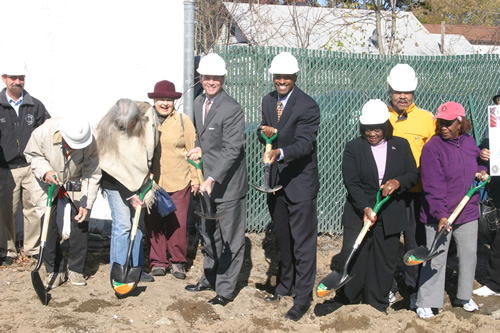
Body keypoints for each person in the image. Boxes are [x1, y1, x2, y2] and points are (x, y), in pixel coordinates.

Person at [336, 99, 418, 312]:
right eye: (367, 129)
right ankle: (350, 300)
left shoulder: (400, 145)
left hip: (391, 212)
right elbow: (351, 182)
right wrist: (365, 208)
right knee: (355, 257)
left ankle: (376, 304)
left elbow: (412, 174)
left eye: (376, 128)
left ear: (385, 126)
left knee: (384, 261)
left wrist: (397, 182)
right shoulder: (354, 147)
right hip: (359, 213)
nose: (371, 133)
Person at [257, 52, 320, 321]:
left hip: (300, 182)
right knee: (283, 238)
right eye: (277, 76)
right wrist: (265, 136)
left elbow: (306, 144)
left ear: (295, 76)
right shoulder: (268, 101)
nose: (281, 81)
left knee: (303, 244)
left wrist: (279, 152)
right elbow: (267, 134)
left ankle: (302, 297)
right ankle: (285, 285)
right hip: (277, 183)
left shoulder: (308, 106)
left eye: (287, 77)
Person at [185, 53, 248, 306]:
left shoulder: (232, 109)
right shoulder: (198, 101)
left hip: (228, 185)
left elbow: (232, 149)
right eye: (207, 77)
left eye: (216, 78)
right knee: (209, 235)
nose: (211, 81)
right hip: (206, 181)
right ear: (200, 77)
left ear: (223, 78)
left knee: (231, 238)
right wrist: (198, 151)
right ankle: (209, 277)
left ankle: (224, 290)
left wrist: (212, 177)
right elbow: (202, 138)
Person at [416, 101, 488, 318]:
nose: (443, 127)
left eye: (448, 123)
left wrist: (483, 168)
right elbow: (432, 186)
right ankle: (426, 301)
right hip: (439, 214)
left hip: (467, 211)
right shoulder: (432, 148)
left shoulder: (468, 142)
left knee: (468, 255)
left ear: (460, 122)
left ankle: (464, 296)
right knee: (436, 257)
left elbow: (477, 163)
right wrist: (441, 214)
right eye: (440, 123)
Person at [24, 116, 101, 288]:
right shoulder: (43, 132)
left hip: (76, 177)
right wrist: (45, 171)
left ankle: (76, 268)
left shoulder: (91, 138)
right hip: (46, 179)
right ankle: (55, 269)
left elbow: (92, 172)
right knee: (47, 221)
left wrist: (85, 203)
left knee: (81, 218)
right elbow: (32, 154)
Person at [386, 64, 437, 306]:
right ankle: (386, 285)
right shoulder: (381, 116)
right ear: (390, 90)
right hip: (388, 193)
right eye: (398, 91)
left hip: (417, 193)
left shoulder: (427, 120)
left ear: (414, 92)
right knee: (388, 240)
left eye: (407, 92)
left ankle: (413, 287)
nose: (402, 96)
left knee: (415, 243)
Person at [97, 98, 158, 283]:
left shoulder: (145, 125)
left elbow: (146, 157)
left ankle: (136, 269)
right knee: (123, 226)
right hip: (115, 184)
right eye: (121, 124)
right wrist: (129, 195)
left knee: (137, 226)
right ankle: (119, 271)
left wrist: (144, 182)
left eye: (129, 123)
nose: (125, 127)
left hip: (140, 182)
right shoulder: (107, 129)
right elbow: (108, 167)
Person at [144, 80, 199, 279]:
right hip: (153, 182)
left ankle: (177, 262)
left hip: (179, 179)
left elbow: (193, 153)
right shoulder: (146, 121)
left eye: (169, 99)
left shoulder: (184, 122)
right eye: (161, 99)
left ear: (174, 101)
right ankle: (158, 261)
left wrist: (196, 179)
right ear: (154, 100)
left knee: (178, 224)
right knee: (154, 223)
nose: (165, 103)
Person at [0, 59, 50, 265]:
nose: (17, 81)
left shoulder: (35, 106)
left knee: (32, 208)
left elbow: (47, 132)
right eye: (13, 78)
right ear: (4, 79)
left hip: (31, 166)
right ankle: (7, 250)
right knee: (6, 210)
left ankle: (32, 248)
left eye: (21, 78)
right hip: (6, 168)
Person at [473, 89, 500, 298]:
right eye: (498, 101)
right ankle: (494, 283)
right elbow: (482, 153)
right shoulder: (493, 131)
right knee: (497, 238)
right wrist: (483, 154)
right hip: (497, 190)